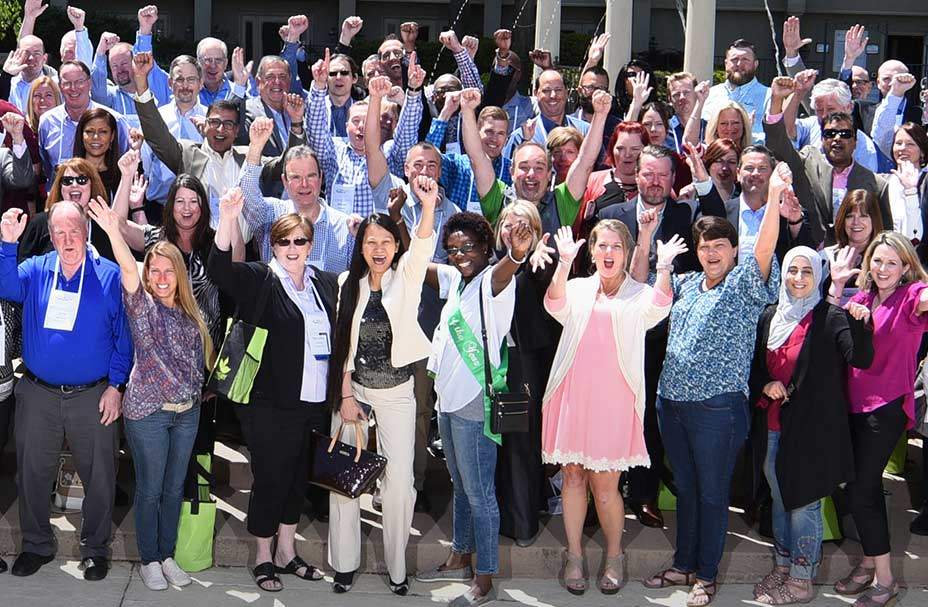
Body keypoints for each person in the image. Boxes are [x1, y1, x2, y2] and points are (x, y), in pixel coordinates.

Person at [643, 163, 790, 607]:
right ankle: (683, 563)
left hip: (718, 409)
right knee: (685, 489)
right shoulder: (686, 283)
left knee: (710, 493)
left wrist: (776, 198)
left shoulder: (745, 282)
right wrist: (650, 242)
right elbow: (642, 297)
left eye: (720, 246)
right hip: (672, 404)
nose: (711, 253)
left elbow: (764, 248)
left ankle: (705, 575)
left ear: (732, 250)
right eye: (704, 246)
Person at [535, 222, 679, 595]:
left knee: (604, 487)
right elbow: (554, 305)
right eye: (602, 245)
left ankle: (614, 556)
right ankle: (574, 556)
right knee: (572, 478)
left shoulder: (638, 293)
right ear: (593, 251)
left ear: (627, 252)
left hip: (613, 403)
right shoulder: (579, 288)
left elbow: (660, 308)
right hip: (573, 395)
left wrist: (662, 268)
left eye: (616, 246)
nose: (609, 252)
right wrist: (564, 264)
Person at [208, 189, 337, 593]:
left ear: (311, 244)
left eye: (300, 241)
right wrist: (228, 218)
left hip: (313, 403)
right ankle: (263, 556)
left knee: (299, 478)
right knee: (270, 478)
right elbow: (219, 271)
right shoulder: (261, 278)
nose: (293, 248)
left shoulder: (325, 284)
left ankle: (287, 550)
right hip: (269, 405)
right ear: (272, 244)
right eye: (284, 241)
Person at [86, 196, 213, 591]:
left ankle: (168, 553)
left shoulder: (193, 313)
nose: (160, 277)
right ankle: (150, 559)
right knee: (151, 489)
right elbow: (127, 266)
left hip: (186, 413)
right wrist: (112, 229)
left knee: (175, 488)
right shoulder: (142, 308)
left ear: (179, 274)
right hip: (149, 414)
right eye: (153, 271)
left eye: (167, 271)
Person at [0, 202, 131, 581]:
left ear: (87, 230)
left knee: (101, 475)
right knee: (31, 473)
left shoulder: (108, 275)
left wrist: (116, 386)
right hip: (38, 393)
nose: (68, 239)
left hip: (93, 395)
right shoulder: (38, 268)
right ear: (51, 235)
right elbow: (6, 284)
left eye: (75, 230)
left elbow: (125, 338)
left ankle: (95, 549)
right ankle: (36, 545)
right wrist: (8, 244)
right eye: (60, 232)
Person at [324, 175, 438, 595]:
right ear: (361, 247)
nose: (377, 250)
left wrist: (425, 207)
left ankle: (396, 568)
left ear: (394, 246)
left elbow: (423, 244)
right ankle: (345, 564)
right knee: (345, 481)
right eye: (370, 242)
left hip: (396, 393)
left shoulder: (406, 277)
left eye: (385, 242)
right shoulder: (345, 286)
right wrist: (347, 395)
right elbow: (341, 347)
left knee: (399, 486)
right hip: (355, 395)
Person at [417, 210, 532, 607]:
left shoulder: (493, 282)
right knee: (461, 486)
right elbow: (420, 264)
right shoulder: (457, 281)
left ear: (486, 247)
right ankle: (459, 552)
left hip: (472, 402)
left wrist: (515, 256)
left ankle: (484, 576)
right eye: (453, 249)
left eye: (469, 247)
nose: (461, 254)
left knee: (480, 492)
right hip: (446, 400)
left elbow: (505, 272)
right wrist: (401, 219)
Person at [748, 246, 874, 604]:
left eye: (807, 271)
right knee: (779, 496)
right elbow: (755, 366)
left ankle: (802, 579)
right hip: (773, 424)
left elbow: (861, 357)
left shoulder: (831, 317)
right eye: (793, 270)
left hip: (812, 430)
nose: (799, 278)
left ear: (817, 276)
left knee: (804, 502)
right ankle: (784, 566)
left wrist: (861, 323)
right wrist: (765, 383)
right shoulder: (770, 315)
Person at [832, 232, 928, 607]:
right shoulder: (861, 298)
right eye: (877, 260)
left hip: (886, 408)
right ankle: (869, 562)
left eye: (892, 262)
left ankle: (885, 581)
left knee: (863, 488)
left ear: (905, 267)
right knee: (855, 486)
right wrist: (838, 285)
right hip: (852, 406)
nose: (883, 268)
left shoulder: (910, 297)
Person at [765, 75, 892, 247]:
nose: (837, 139)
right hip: (810, 258)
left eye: (845, 134)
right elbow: (779, 145)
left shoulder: (877, 184)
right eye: (830, 134)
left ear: (856, 141)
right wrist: (776, 100)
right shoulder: (808, 163)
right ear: (822, 139)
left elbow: (884, 233)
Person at [306, 49, 424, 217]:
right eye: (355, 121)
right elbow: (316, 131)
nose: (361, 126)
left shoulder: (388, 152)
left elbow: (407, 134)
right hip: (342, 237)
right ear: (346, 126)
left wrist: (413, 90)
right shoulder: (335, 151)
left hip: (378, 239)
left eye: (367, 121)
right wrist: (319, 85)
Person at [238, 117, 356, 273]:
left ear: (321, 178)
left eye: (311, 176)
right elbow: (246, 192)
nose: (304, 184)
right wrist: (256, 146)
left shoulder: (345, 227)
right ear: (285, 182)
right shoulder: (270, 214)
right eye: (296, 177)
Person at [37, 60, 131, 190]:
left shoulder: (114, 120)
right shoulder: (47, 122)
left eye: (79, 82)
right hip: (59, 203)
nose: (73, 88)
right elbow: (46, 166)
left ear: (90, 83)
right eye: (67, 83)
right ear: (59, 86)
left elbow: (124, 160)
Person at [17, 158, 113, 262]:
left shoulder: (105, 225)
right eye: (67, 181)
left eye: (82, 180)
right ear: (60, 187)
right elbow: (21, 266)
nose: (74, 185)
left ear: (92, 185)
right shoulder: (40, 223)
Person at [822, 190, 885, 306]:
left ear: (874, 219)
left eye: (863, 216)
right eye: (850, 216)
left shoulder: (885, 258)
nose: (856, 222)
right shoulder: (826, 257)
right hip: (832, 321)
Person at [702, 39, 770, 143]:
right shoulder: (709, 95)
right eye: (734, 59)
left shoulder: (769, 96)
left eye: (745, 60)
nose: (739, 64)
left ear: (755, 64)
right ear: (726, 64)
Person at [579, 122, 651, 218]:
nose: (627, 154)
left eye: (635, 149)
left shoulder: (656, 183)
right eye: (620, 148)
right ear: (612, 149)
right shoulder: (592, 180)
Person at [73, 108, 122, 196]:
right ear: (81, 135)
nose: (96, 137)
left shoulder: (122, 175)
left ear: (112, 136)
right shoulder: (66, 172)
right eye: (89, 131)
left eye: (103, 132)